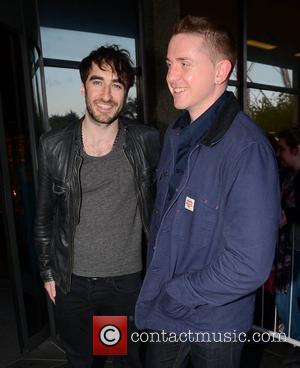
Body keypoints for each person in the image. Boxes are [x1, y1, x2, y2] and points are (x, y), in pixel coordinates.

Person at [135, 15, 280, 368]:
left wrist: (176, 292)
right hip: (165, 313)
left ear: (220, 72)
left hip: (214, 324)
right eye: (170, 64)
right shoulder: (175, 134)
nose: (171, 76)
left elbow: (249, 266)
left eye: (185, 64)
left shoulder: (247, 149)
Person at [34, 45, 160, 368]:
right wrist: (48, 270)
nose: (106, 94)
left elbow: (162, 208)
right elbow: (44, 216)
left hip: (122, 284)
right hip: (72, 282)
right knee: (81, 359)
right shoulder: (54, 146)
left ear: (126, 92)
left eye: (117, 84)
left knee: (121, 358)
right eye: (97, 82)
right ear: (82, 87)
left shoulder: (145, 141)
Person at [276, 127, 300, 341]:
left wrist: (288, 215)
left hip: (295, 250)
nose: (279, 154)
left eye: (282, 149)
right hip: (291, 249)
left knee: (285, 300)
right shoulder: (288, 177)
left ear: (296, 149)